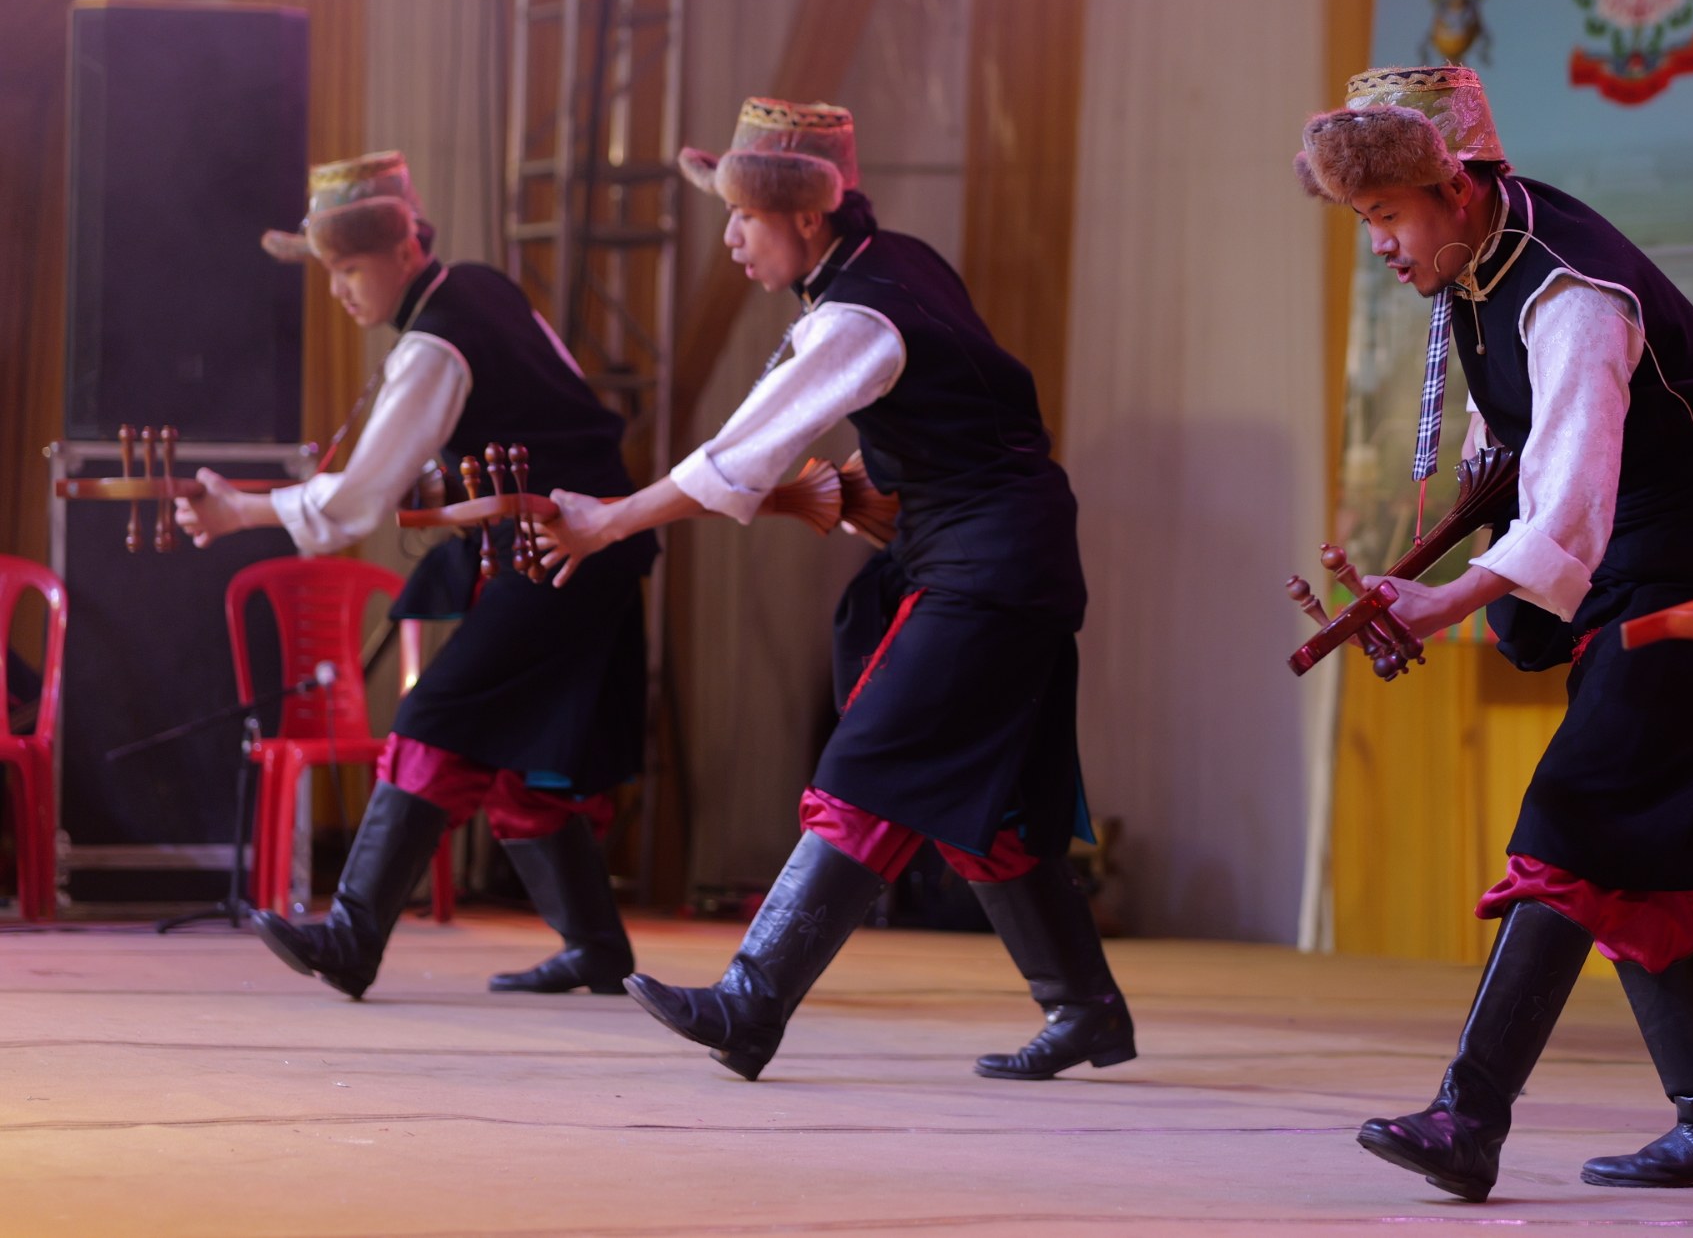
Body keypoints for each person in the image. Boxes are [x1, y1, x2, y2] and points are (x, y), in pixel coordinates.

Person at [535, 98, 1130, 1083]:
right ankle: (1085, 1009)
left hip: (987, 568)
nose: (730, 237)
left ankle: (750, 1000)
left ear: (807, 215)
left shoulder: (857, 312)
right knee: (990, 807)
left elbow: (740, 454)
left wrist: (605, 522)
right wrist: (870, 492)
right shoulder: (896, 263)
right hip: (991, 555)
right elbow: (950, 417)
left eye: (744, 215)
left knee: (870, 767)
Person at [1295, 66, 1693, 1202]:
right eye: (1364, 219)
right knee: (1653, 853)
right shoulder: (1482, 261)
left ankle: (1467, 1115)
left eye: (1386, 214)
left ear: (1458, 186)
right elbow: (1514, 460)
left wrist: (1449, 598)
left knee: (1577, 815)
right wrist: (1459, 585)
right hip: (1646, 561)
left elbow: (1567, 500)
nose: (1378, 245)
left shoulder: (1570, 291)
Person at [179, 151, 653, 1000]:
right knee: (523, 751)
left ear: (404, 250)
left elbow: (354, 502)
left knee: (436, 719)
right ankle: (597, 948)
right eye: (330, 272)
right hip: (584, 543)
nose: (339, 290)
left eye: (351, 268)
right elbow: (555, 410)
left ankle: (352, 937)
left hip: (562, 548)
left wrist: (238, 511)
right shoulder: (484, 289)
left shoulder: (435, 342)